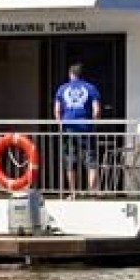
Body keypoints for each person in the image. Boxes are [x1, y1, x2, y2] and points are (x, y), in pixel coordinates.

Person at [52, 62, 102, 193]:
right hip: (86, 128)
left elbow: (57, 110)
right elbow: (96, 110)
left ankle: (73, 193)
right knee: (91, 160)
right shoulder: (91, 88)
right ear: (82, 75)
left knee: (70, 161)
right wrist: (94, 124)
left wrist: (60, 125)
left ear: (70, 74)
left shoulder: (62, 89)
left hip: (68, 128)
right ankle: (91, 192)